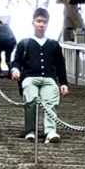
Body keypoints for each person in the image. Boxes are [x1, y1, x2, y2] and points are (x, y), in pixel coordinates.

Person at [10, 8, 69, 144]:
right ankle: (31, 130)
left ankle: (50, 131)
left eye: (44, 22)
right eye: (39, 21)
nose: (41, 24)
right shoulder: (24, 43)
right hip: (30, 77)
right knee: (30, 101)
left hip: (49, 78)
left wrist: (63, 83)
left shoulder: (54, 44)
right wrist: (14, 69)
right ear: (33, 22)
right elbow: (17, 60)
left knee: (51, 103)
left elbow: (60, 65)